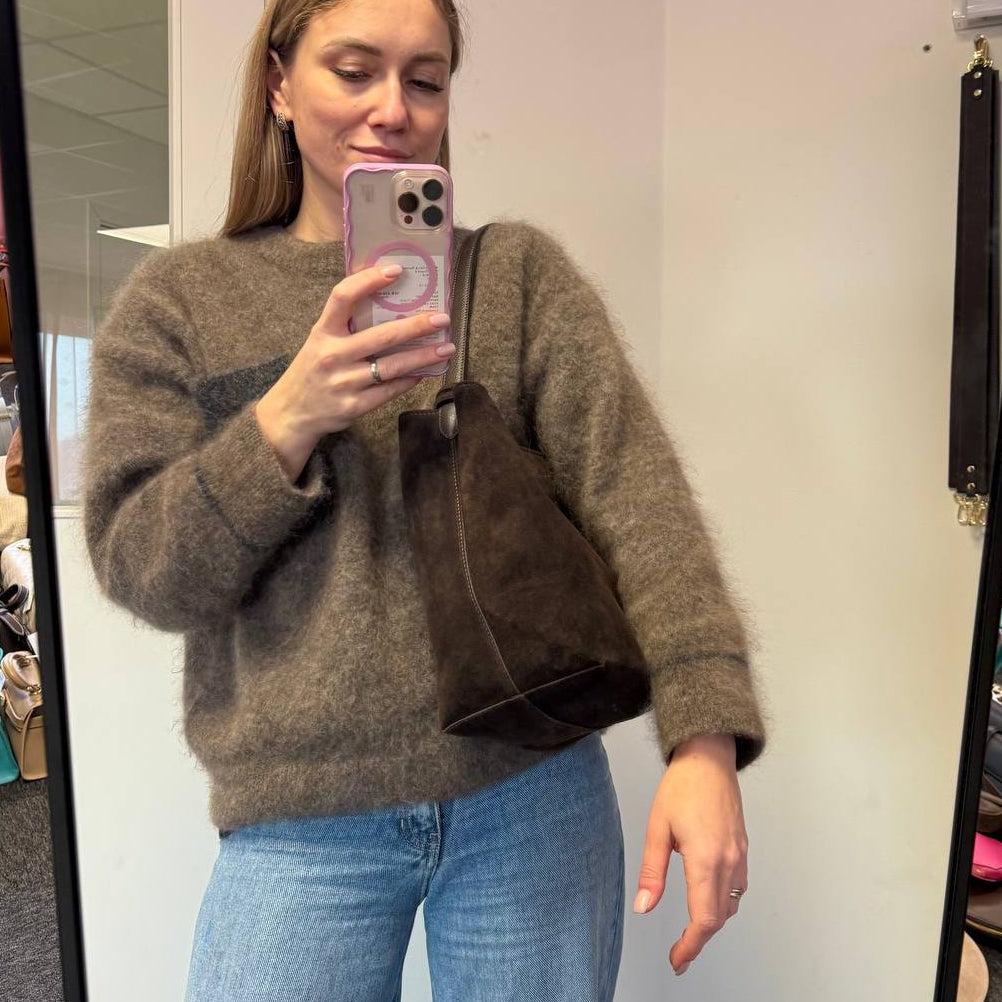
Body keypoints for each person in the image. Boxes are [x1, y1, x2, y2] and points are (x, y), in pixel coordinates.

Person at [80, 0, 770, 998]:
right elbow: (143, 568)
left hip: (531, 795)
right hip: (299, 824)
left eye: (425, 79)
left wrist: (704, 737)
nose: (393, 109)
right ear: (278, 84)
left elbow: (640, 504)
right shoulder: (180, 303)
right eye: (354, 70)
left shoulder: (517, 278)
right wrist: (285, 419)